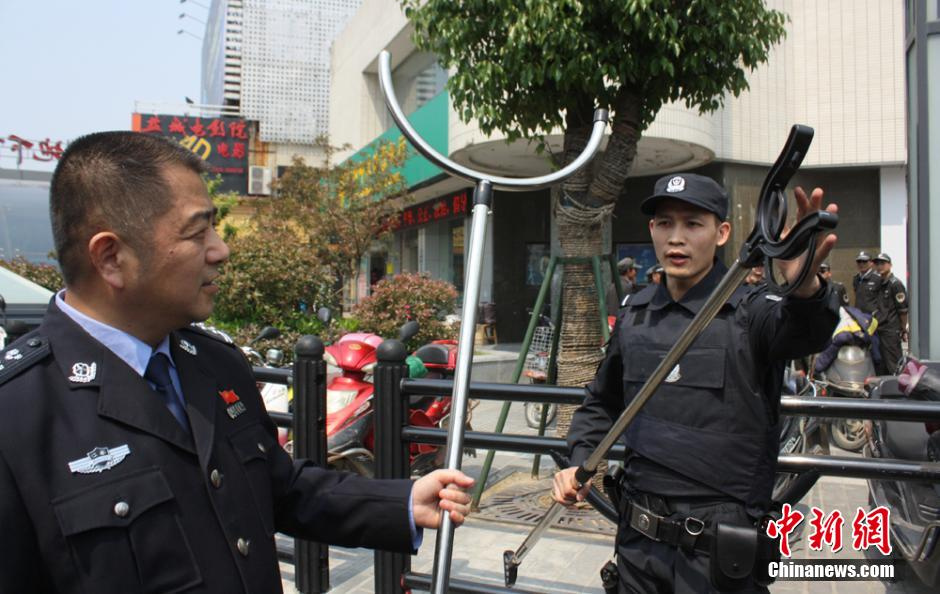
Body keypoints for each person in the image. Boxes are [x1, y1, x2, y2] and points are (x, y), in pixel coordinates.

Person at [0, 132, 473, 594]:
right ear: (111, 257)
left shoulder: (214, 364)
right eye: (197, 231)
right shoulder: (18, 414)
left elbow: (282, 490)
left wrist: (402, 501)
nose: (220, 250)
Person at [552, 173, 840, 593]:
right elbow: (601, 401)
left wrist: (804, 285)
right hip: (636, 548)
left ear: (722, 233)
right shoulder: (636, 313)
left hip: (718, 558)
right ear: (651, 230)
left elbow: (806, 331)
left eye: (693, 223)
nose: (676, 238)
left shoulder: (753, 310)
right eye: (665, 223)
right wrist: (579, 458)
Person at [872, 252, 909, 374]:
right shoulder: (880, 283)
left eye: (883, 263)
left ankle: (898, 392)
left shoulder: (895, 284)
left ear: (890, 265)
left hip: (890, 331)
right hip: (880, 329)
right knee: (881, 365)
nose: (880, 266)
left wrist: (903, 328)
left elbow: (902, 309)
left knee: (894, 365)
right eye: (877, 263)